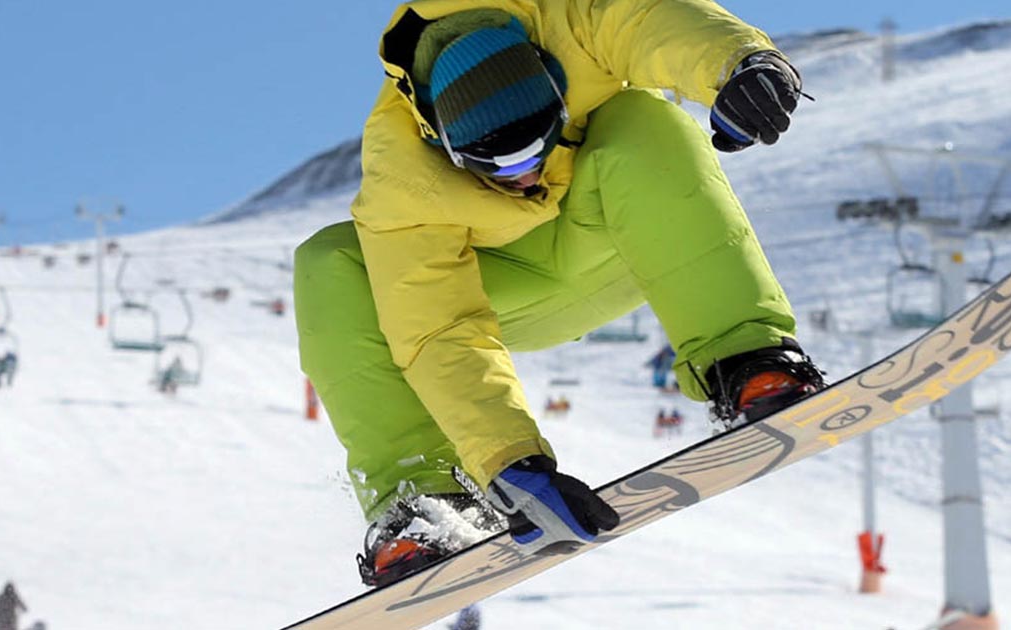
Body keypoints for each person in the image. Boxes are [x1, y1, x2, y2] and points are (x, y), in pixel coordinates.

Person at [293, 0, 824, 589]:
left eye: (535, 145)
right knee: (331, 264)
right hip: (506, 292)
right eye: (494, 164)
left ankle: (746, 360)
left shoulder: (570, 18)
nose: (525, 174)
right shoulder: (402, 174)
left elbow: (656, 19)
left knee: (644, 120)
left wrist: (742, 63)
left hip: (625, 234)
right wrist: (507, 460)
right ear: (444, 141)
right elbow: (438, 326)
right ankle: (426, 502)